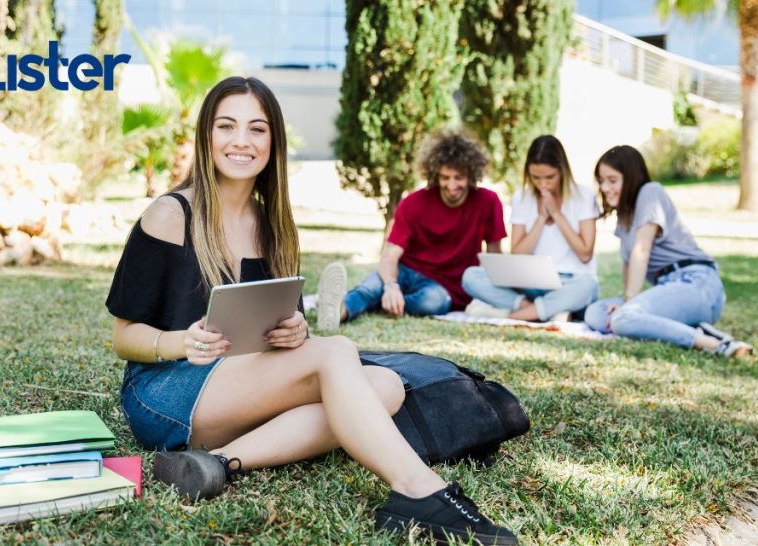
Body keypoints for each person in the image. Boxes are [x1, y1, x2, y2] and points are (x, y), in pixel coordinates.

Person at [105, 77, 517, 545]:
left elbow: (283, 330)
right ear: (207, 136)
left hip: (238, 388)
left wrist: (295, 331)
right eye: (227, 126)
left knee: (384, 386)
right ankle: (419, 490)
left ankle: (218, 462)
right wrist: (182, 341)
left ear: (273, 141)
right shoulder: (170, 214)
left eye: (257, 129)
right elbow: (123, 336)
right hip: (163, 395)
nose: (242, 141)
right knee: (336, 351)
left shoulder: (272, 224)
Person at [316, 133, 507, 330]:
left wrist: (497, 293)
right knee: (371, 287)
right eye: (445, 177)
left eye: (459, 178)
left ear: (472, 175)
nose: (451, 186)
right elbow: (390, 254)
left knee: (433, 302)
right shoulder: (414, 202)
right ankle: (338, 312)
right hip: (405, 271)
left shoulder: (488, 202)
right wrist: (391, 285)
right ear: (434, 174)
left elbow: (495, 254)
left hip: (446, 287)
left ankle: (382, 303)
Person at [582, 145, 752, 356]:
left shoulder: (650, 192)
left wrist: (629, 302)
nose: (605, 187)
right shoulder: (624, 216)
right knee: (595, 313)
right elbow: (628, 262)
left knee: (623, 318)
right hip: (669, 288)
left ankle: (715, 345)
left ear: (631, 177)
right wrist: (626, 301)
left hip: (697, 284)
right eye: (601, 180)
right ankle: (695, 328)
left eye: (612, 180)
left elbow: (641, 250)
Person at [461, 135, 599, 322]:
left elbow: (585, 254)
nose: (543, 184)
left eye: (550, 177)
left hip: (569, 281)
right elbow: (518, 252)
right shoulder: (522, 197)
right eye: (536, 178)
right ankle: (544, 310)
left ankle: (513, 315)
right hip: (530, 283)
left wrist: (557, 215)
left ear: (563, 171)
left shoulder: (583, 195)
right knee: (471, 276)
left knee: (588, 286)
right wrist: (541, 218)